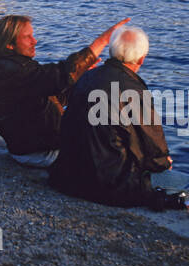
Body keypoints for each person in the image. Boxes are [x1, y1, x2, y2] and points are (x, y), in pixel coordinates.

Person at [48, 25, 179, 209]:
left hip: (66, 177)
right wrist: (164, 163)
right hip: (110, 186)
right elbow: (153, 145)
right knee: (185, 182)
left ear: (112, 51)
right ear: (142, 58)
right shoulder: (132, 90)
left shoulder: (87, 77)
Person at [0, 15, 129, 167]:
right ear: (9, 44)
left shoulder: (10, 67)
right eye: (27, 37)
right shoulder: (16, 71)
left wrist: (80, 76)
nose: (34, 41)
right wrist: (102, 41)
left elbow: (54, 95)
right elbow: (63, 74)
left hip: (28, 148)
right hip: (38, 152)